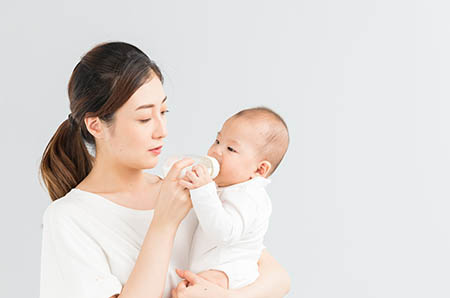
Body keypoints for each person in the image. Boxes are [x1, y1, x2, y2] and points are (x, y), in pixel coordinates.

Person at [39, 41, 291, 298]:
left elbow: (278, 278)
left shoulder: (191, 190)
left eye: (163, 111)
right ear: (95, 125)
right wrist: (164, 223)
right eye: (144, 118)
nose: (162, 131)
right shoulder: (70, 219)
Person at [179, 107, 289, 290]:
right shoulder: (226, 185)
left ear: (259, 170)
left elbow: (224, 233)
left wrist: (203, 190)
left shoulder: (249, 197)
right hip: (211, 269)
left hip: (230, 274)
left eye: (230, 148)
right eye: (217, 140)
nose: (216, 151)